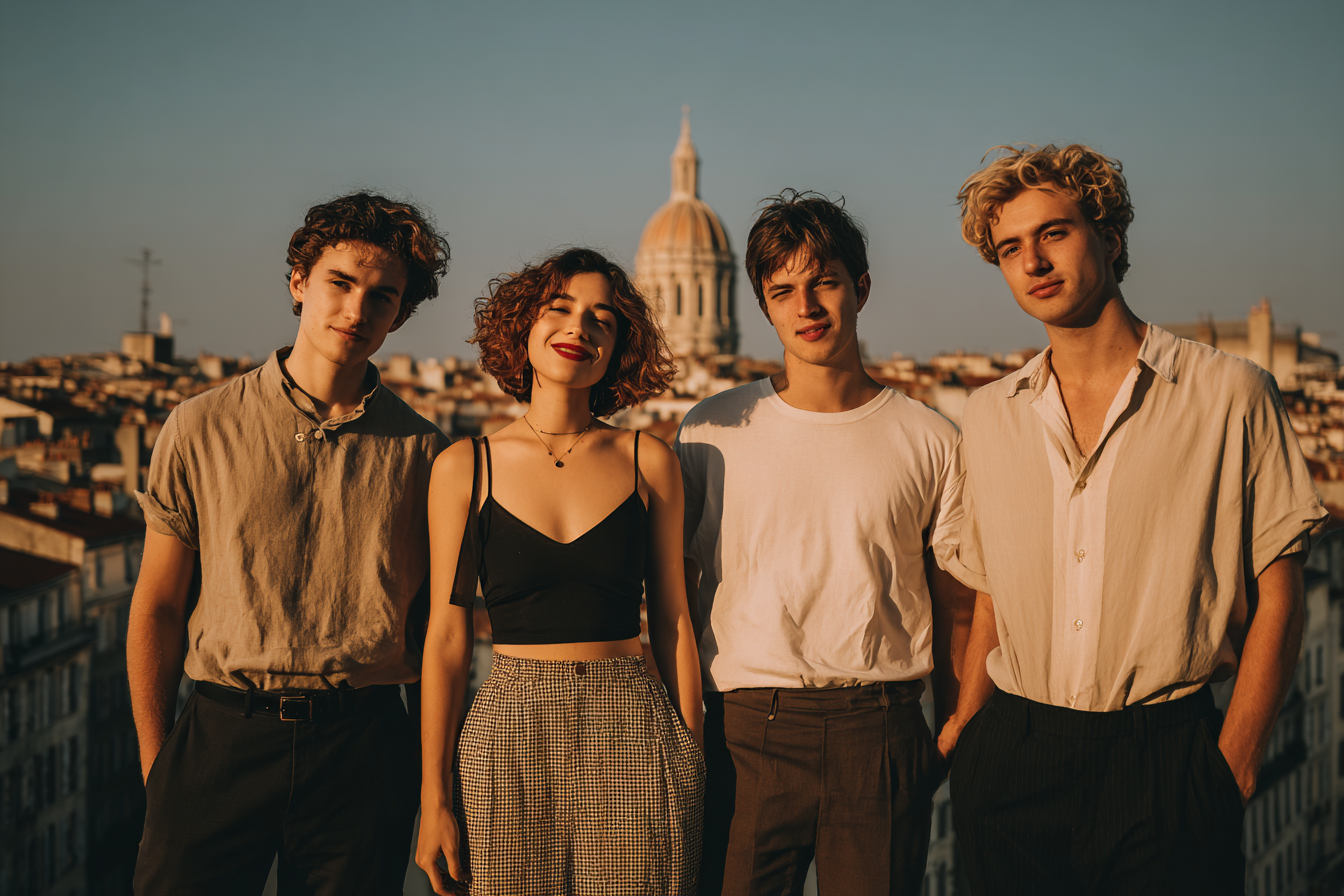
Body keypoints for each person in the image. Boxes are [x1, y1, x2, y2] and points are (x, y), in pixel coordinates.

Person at [937, 144, 1328, 894]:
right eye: (1010, 248)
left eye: (1054, 233)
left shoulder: (1231, 394)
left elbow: (1280, 592)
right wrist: (966, 726)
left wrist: (1235, 765)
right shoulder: (988, 416)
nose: (1032, 262)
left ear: (1111, 238)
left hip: (1167, 761)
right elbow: (991, 594)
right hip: (1012, 758)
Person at [127, 191, 451, 895]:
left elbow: (434, 632)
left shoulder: (426, 453)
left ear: (400, 314)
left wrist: (435, 787)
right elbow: (158, 605)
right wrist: (160, 766)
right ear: (300, 282)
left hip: (363, 748)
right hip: (220, 738)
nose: (357, 310)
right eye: (341, 282)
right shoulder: (199, 426)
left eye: (383, 296)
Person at [676, 191, 973, 896]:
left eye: (824, 283)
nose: (806, 307)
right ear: (763, 305)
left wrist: (955, 728)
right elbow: (676, 595)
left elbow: (957, 602)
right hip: (744, 730)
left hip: (880, 730)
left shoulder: (931, 437)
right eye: (783, 291)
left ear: (861, 288)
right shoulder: (711, 429)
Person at [415, 247, 705, 896]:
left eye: (603, 318)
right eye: (560, 308)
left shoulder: (648, 460)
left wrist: (693, 758)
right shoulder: (465, 467)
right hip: (508, 725)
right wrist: (434, 799)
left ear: (619, 346)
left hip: (632, 722)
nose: (580, 327)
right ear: (523, 325)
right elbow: (447, 638)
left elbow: (673, 620)